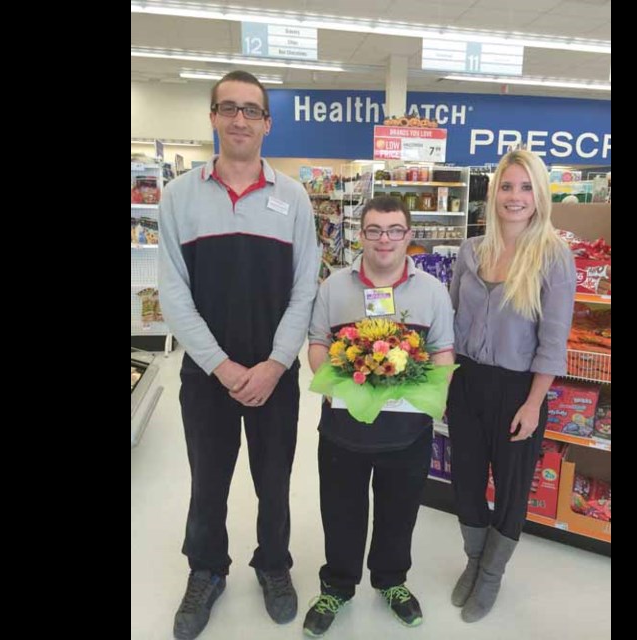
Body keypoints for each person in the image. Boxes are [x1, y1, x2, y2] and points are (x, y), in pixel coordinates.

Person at [157, 70, 320, 640]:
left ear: (268, 123)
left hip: (275, 376)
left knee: (274, 481)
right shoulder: (178, 196)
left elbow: (306, 288)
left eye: (251, 110)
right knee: (208, 481)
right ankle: (205, 569)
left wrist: (276, 363)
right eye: (229, 108)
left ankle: (274, 565)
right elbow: (174, 294)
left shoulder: (293, 197)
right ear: (212, 117)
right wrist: (221, 366)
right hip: (208, 376)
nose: (240, 119)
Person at [304, 196, 455, 637]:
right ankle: (338, 584)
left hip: (408, 433)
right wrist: (335, 387)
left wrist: (438, 393)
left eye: (394, 230)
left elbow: (443, 350)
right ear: (361, 234)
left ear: (409, 236)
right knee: (340, 510)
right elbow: (316, 342)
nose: (384, 239)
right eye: (374, 230)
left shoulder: (431, 291)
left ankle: (391, 581)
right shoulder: (334, 287)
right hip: (343, 431)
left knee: (399, 512)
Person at [447, 149, 576, 622]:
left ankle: (492, 574)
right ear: (493, 192)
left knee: (512, 486)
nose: (515, 197)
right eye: (506, 186)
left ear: (540, 194)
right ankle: (474, 559)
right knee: (464, 480)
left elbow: (554, 341)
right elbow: (453, 319)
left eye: (525, 187)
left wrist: (535, 402)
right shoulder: (471, 250)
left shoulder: (553, 257)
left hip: (519, 390)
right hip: (465, 382)